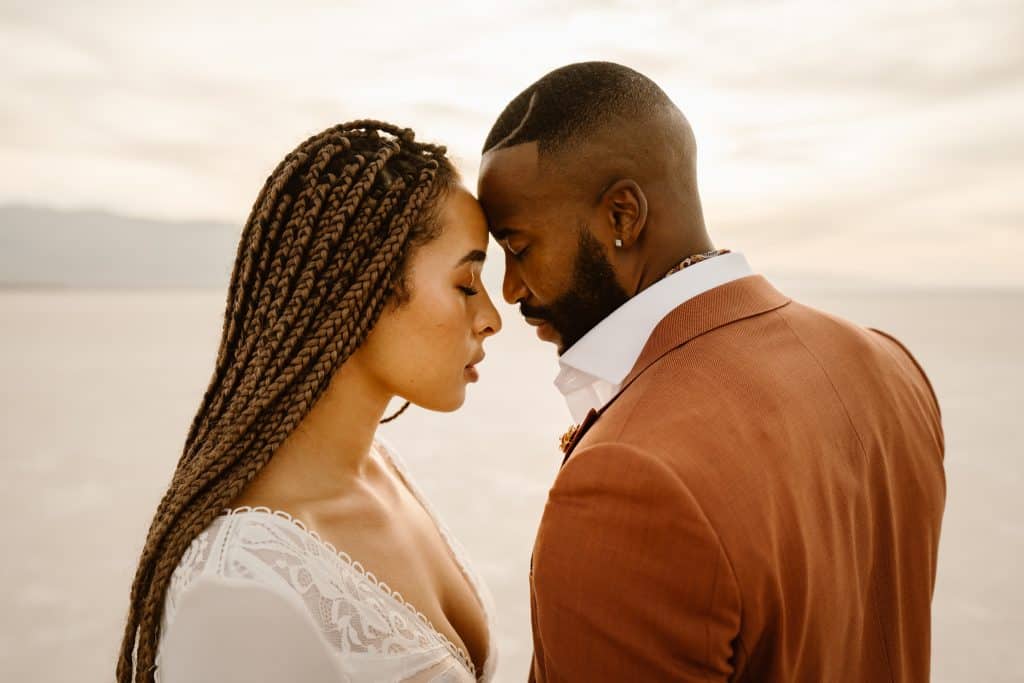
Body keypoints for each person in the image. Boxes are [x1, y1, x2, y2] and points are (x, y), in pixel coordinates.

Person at [477, 62, 946, 682]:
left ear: (622, 216)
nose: (509, 290)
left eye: (517, 247)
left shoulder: (629, 479)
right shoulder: (890, 364)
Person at [117, 121, 502, 683]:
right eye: (467, 284)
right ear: (363, 287)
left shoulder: (380, 468)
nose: (491, 318)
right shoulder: (240, 590)